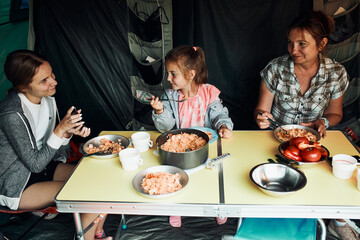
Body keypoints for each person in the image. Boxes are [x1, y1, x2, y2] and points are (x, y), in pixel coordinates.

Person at [254, 11, 359, 240]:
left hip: (314, 143)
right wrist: (262, 117)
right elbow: (261, 109)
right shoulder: (276, 69)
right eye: (290, 43)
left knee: (337, 179)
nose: (293, 50)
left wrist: (323, 122)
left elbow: (335, 113)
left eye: (302, 44)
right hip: (277, 139)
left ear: (321, 44)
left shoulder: (336, 73)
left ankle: (338, 221)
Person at [0, 50, 112, 240]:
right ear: (23, 87)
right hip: (19, 184)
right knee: (89, 192)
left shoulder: (48, 102)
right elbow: (34, 164)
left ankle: (96, 234)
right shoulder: (12, 114)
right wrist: (59, 130)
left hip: (46, 168)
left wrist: (67, 134)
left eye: (51, 74)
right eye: (44, 81)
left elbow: (58, 154)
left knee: (102, 178)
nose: (54, 82)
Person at [150, 45, 233, 227]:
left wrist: (223, 125)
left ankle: (218, 207)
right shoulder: (169, 96)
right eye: (168, 74)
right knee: (177, 175)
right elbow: (167, 127)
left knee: (212, 176)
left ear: (190, 74)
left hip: (207, 147)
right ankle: (177, 207)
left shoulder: (208, 93)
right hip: (180, 150)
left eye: (173, 74)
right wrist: (160, 111)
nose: (168, 79)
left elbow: (219, 115)